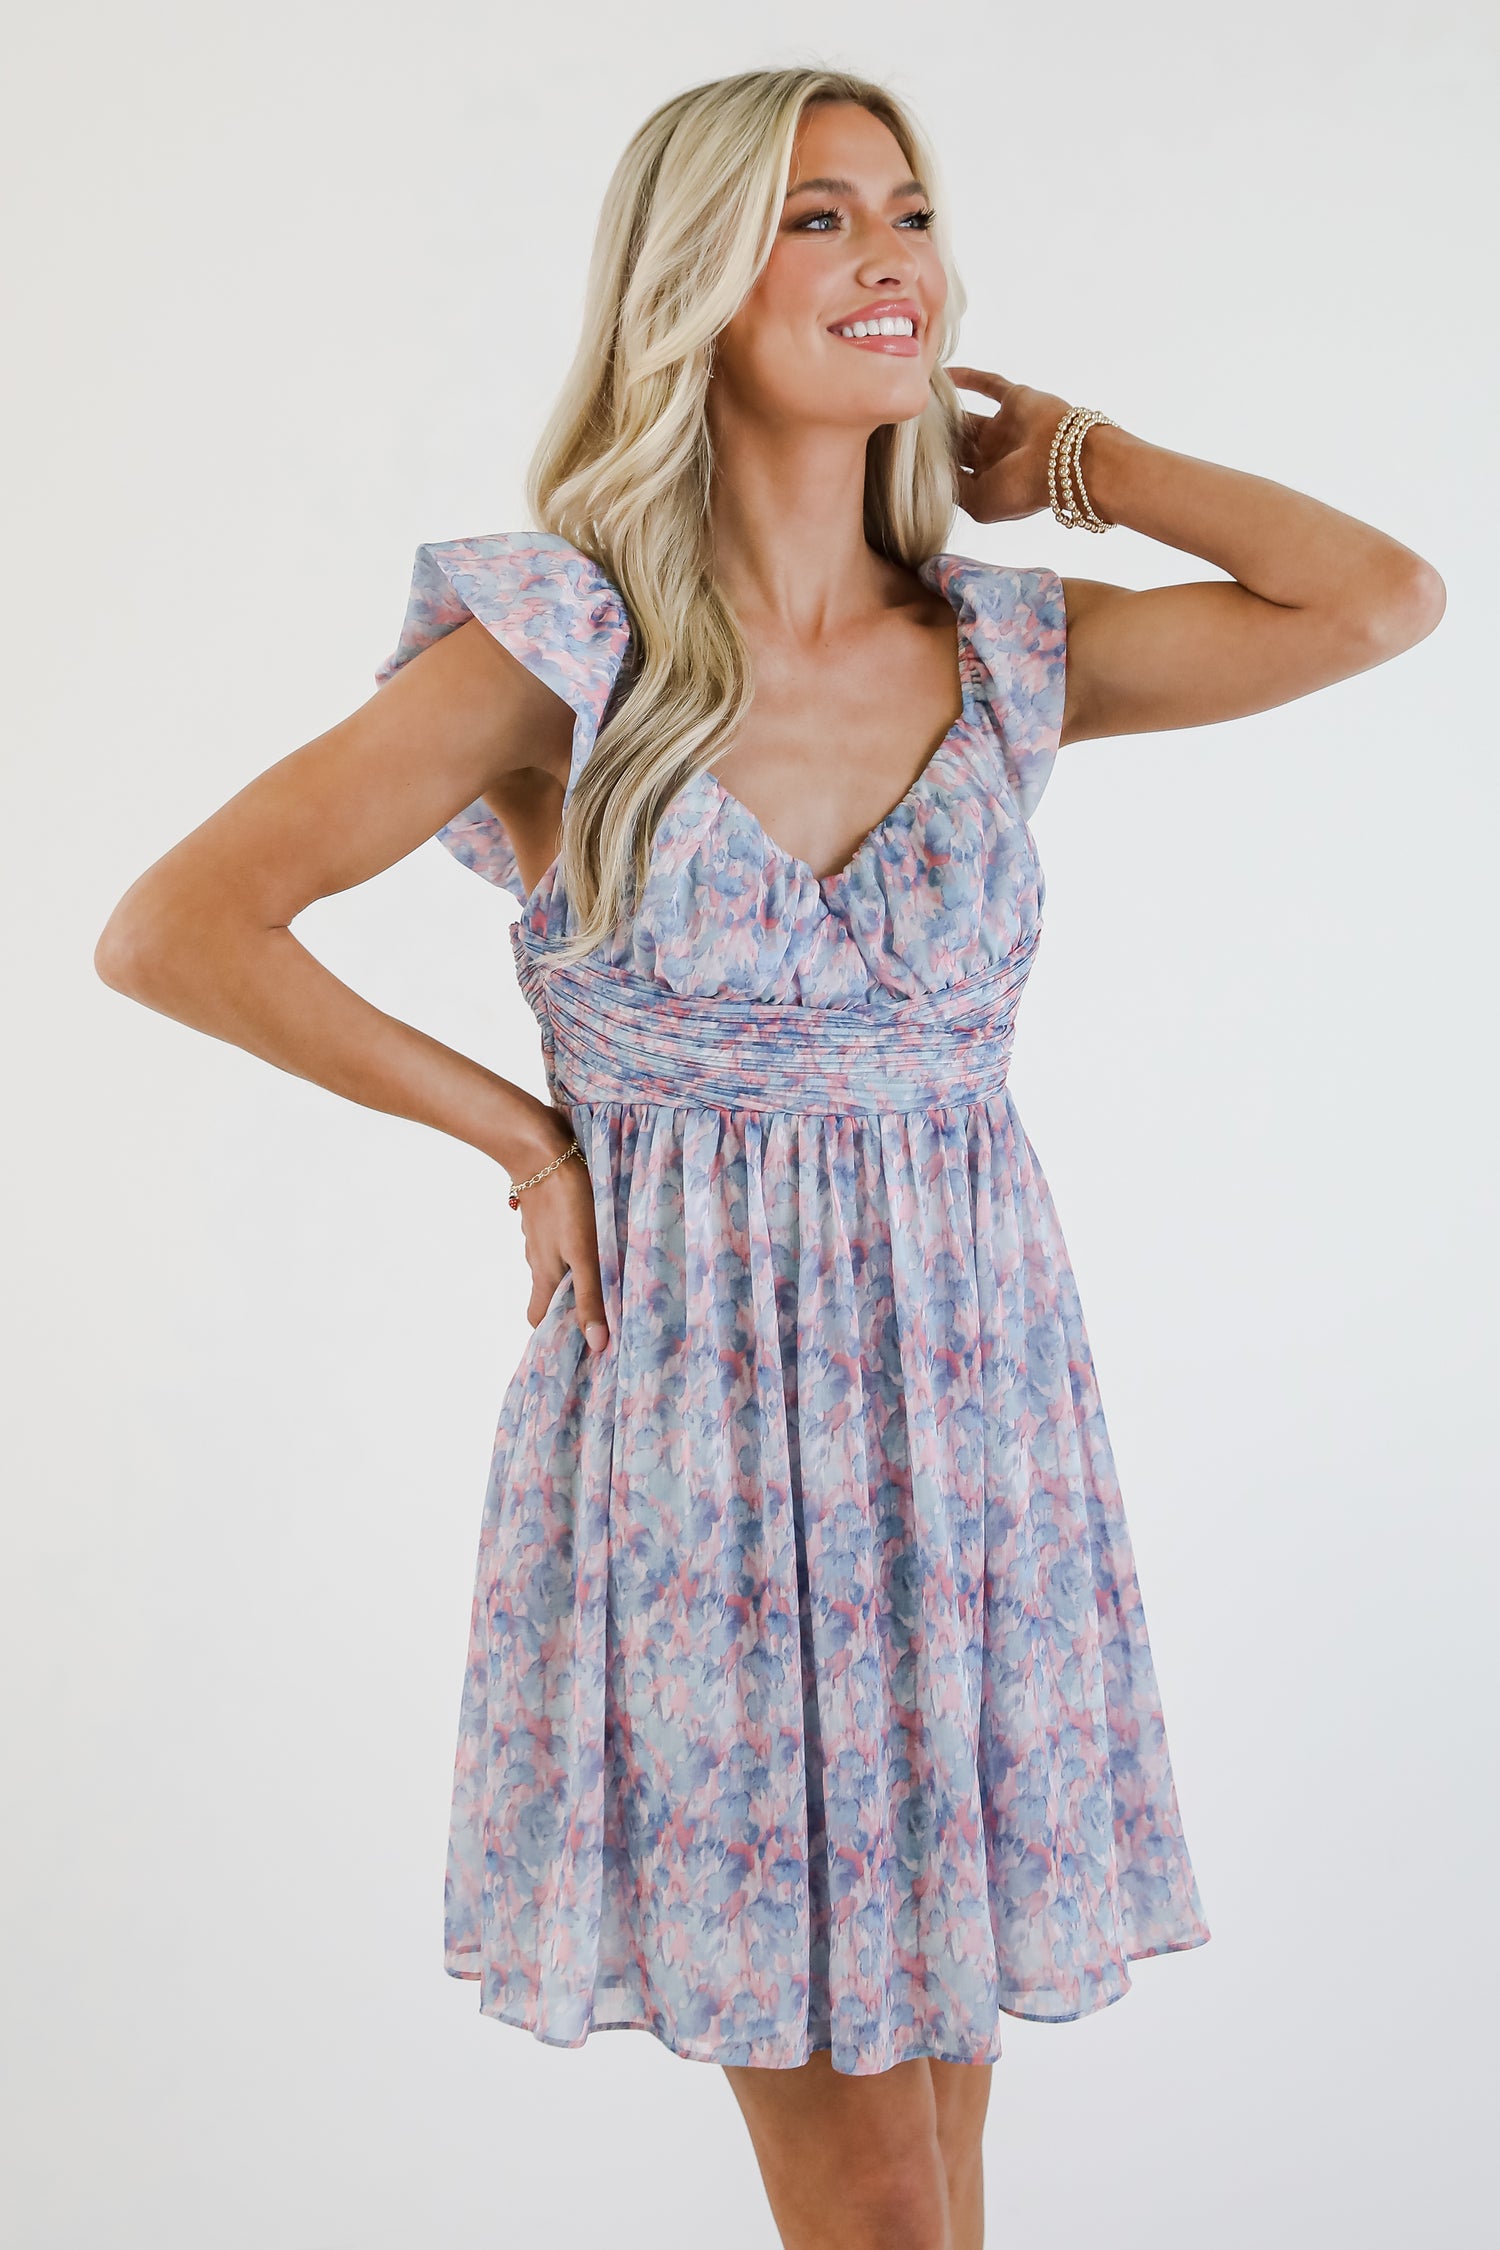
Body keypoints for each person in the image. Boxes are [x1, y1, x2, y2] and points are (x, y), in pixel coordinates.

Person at [95, 63, 1444, 2250]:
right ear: (692, 281)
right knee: (881, 2204)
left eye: (909, 212)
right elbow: (179, 929)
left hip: (975, 1445)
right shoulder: (560, 651)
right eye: (817, 217)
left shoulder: (1004, 651)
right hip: (705, 1463)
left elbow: (1379, 598)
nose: (889, 255)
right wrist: (523, 1137)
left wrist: (1083, 462)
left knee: (945, 2187)